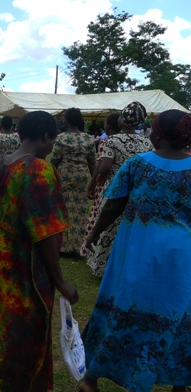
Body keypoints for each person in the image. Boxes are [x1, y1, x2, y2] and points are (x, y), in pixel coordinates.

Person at [0, 111, 78, 392]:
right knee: (22, 336)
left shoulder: (0, 166)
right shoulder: (39, 171)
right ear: (47, 137)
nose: (53, 146)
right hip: (26, 273)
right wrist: (60, 281)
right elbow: (46, 233)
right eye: (53, 140)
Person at [73, 110, 191, 392]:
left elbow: (112, 207)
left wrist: (93, 235)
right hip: (181, 261)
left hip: (136, 255)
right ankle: (180, 390)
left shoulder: (137, 165)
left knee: (118, 310)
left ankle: (89, 383)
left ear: (159, 135)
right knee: (180, 316)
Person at [84, 101, 153, 277]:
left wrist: (98, 180)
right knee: (129, 230)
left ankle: (101, 267)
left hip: (115, 191)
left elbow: (105, 168)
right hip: (138, 193)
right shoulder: (147, 143)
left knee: (108, 228)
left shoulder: (113, 140)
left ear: (121, 121)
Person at [50, 108, 96, 256]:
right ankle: (79, 246)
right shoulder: (88, 139)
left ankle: (64, 246)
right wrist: (93, 183)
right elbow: (92, 163)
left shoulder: (60, 138)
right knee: (80, 210)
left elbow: (55, 160)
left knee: (63, 209)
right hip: (82, 177)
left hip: (65, 176)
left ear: (67, 120)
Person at [80, 113, 120, 257]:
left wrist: (92, 184)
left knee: (98, 216)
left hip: (106, 185)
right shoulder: (139, 141)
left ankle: (92, 250)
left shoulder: (107, 142)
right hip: (124, 188)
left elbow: (100, 166)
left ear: (108, 126)